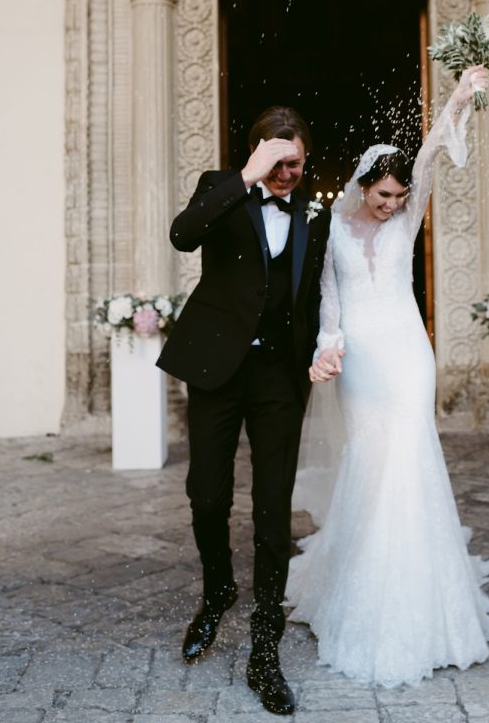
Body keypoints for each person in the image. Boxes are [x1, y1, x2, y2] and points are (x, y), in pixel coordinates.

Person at [285, 65, 489, 688]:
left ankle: (423, 599)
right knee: (371, 460)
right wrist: (328, 348)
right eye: (383, 196)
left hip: (407, 353)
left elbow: (435, 148)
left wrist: (461, 96)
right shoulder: (331, 225)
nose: (393, 205)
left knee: (409, 456)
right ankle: (360, 581)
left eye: (399, 197)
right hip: (359, 356)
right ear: (363, 187)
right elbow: (330, 300)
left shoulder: (409, 215)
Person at [157, 106, 330, 716]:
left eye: (296, 163)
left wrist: (327, 347)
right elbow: (182, 234)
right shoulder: (219, 188)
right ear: (258, 153)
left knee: (272, 510)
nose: (288, 173)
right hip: (215, 370)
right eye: (277, 162)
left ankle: (265, 644)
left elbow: (319, 291)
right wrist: (246, 178)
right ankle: (217, 589)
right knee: (206, 493)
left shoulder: (316, 213)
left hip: (279, 377)